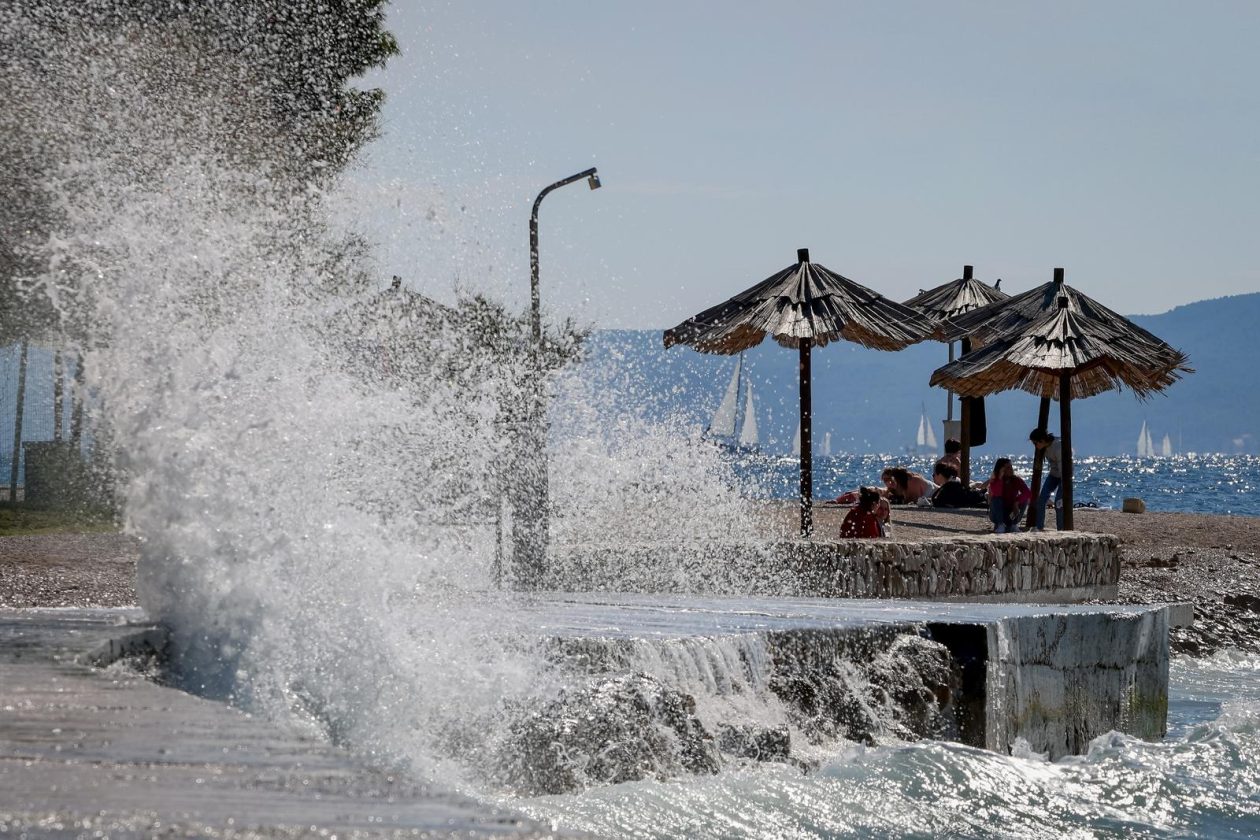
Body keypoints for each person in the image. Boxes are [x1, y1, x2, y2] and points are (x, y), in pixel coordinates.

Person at [1029, 428, 1064, 530]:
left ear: (1042, 440)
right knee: (1041, 499)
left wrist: (1063, 484)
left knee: (1059, 503)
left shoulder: (1058, 446)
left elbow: (1063, 467)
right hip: (1053, 474)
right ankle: (1039, 527)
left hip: (1064, 476)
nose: (1035, 446)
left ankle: (1061, 529)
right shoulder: (1044, 448)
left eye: (1035, 443)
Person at [988, 457, 1032, 533]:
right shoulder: (995, 481)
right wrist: (1000, 478)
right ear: (1002, 469)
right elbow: (997, 493)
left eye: (1011, 466)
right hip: (998, 514)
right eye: (1008, 467)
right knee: (996, 498)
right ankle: (1000, 524)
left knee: (1024, 501)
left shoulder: (1016, 480)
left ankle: (1013, 525)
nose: (1011, 469)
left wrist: (1016, 502)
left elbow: (1027, 493)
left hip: (1011, 512)